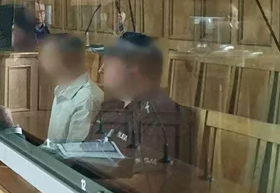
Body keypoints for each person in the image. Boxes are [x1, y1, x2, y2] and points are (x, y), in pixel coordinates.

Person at [94, 32, 191, 164]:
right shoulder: (111, 105)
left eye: (109, 63)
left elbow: (147, 176)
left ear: (134, 68)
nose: (101, 70)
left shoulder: (159, 114)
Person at [38, 34, 103, 144]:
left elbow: (74, 151)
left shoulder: (86, 99)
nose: (42, 61)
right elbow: (52, 143)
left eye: (48, 56)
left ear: (66, 59)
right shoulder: (61, 89)